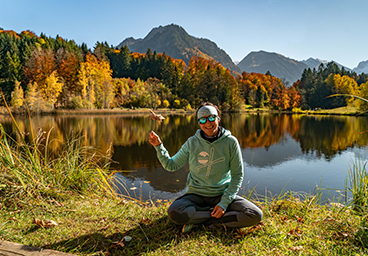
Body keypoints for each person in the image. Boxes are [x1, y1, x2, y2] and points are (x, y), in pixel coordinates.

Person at [148, 102, 262, 233]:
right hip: (196, 195)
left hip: (222, 194)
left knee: (255, 214)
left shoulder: (230, 142)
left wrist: (223, 204)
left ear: (218, 118)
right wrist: (158, 146)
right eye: (202, 119)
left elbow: (237, 175)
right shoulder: (192, 143)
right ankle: (218, 220)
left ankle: (200, 221)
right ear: (199, 123)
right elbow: (171, 165)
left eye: (211, 118)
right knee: (174, 212)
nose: (208, 123)